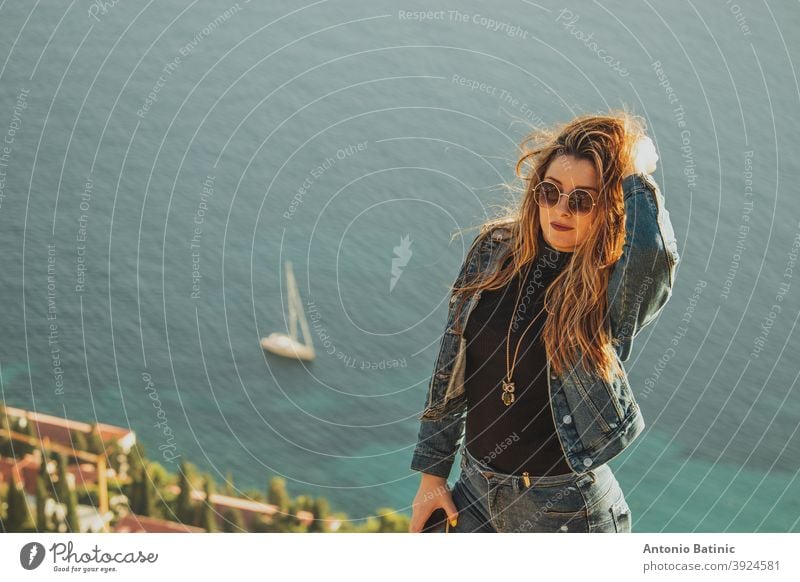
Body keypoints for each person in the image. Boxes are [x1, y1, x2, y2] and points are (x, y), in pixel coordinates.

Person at [408, 110, 680, 533]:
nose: (561, 208)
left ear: (607, 207)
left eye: (582, 200)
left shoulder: (609, 287)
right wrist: (433, 474)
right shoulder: (495, 250)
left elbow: (652, 254)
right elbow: (450, 362)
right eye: (550, 192)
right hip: (476, 492)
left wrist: (633, 172)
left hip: (564, 512)